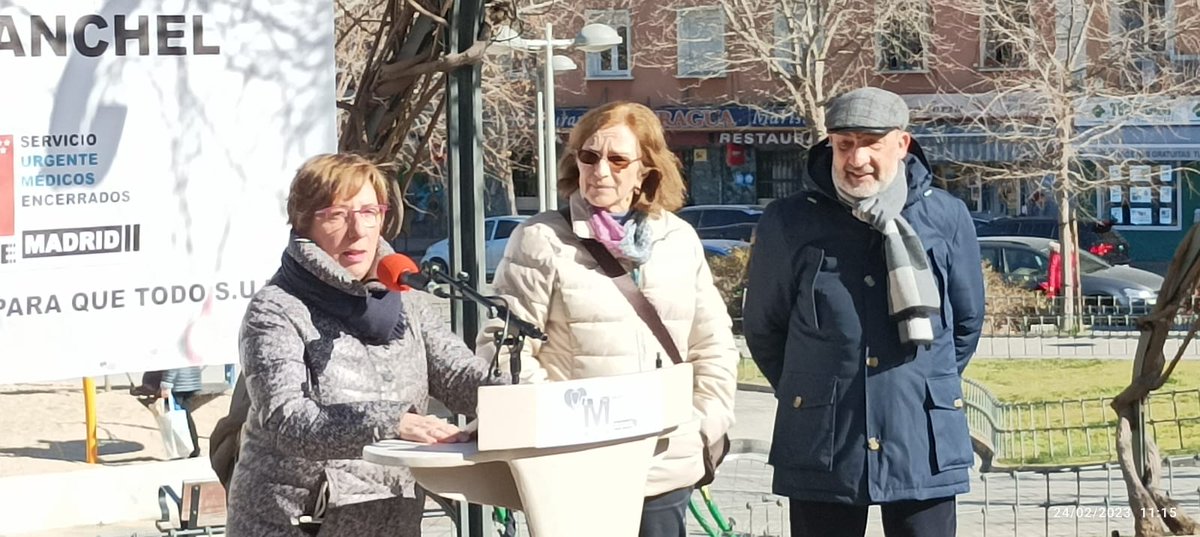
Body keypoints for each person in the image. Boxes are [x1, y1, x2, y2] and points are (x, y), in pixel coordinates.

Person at [477, 101, 739, 537]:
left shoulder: (679, 239)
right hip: (576, 469)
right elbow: (503, 353)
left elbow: (712, 346)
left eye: (618, 160)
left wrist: (701, 427)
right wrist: (564, 431)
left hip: (664, 465)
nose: (601, 170)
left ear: (645, 170)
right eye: (589, 156)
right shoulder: (541, 240)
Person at [743, 87, 985, 537]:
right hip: (825, 439)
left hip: (921, 435)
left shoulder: (946, 216)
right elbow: (764, 328)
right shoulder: (790, 220)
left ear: (902, 144)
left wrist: (916, 385)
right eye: (844, 144)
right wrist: (818, 390)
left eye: (871, 143)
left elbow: (966, 323)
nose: (857, 160)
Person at [226, 153, 504, 537]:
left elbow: (458, 374)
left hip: (392, 517)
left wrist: (516, 399)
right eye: (337, 215)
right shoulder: (275, 308)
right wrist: (390, 422)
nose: (358, 230)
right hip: (298, 523)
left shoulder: (405, 298)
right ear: (304, 223)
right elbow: (286, 420)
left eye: (368, 211)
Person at [160, 365, 204, 458]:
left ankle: (191, 449)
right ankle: (193, 448)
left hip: (179, 384)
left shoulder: (175, 350)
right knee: (185, 416)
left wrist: (166, 384)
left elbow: (173, 365)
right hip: (193, 382)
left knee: (180, 419)